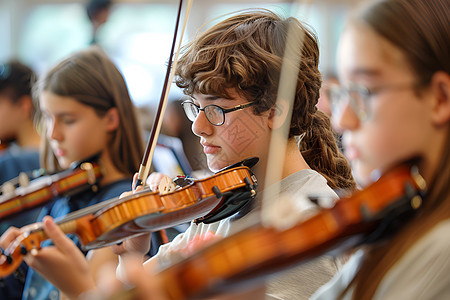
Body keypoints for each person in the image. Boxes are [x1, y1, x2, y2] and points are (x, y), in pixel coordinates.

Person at [1, 9, 357, 300]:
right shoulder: (224, 203)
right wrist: (133, 255)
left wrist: (78, 288)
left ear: (274, 112)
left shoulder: (309, 225)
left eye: (216, 110)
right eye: (194, 107)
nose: (199, 127)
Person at [311, 0, 450, 298]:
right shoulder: (393, 223)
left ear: (440, 99)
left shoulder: (443, 251)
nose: (341, 119)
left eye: (364, 91)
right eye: (342, 94)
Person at [0, 45, 144, 300]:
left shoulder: (122, 207)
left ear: (111, 119)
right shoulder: (63, 196)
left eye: (68, 119)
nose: (53, 134)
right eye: (47, 117)